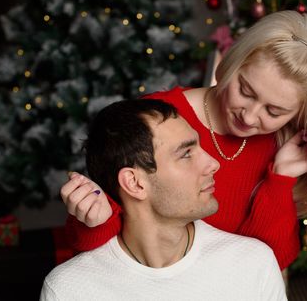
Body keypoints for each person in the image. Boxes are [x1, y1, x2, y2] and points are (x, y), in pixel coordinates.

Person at [61, 10, 307, 276]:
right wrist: (93, 219)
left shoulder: (283, 144)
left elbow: (267, 266)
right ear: (232, 61)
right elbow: (90, 248)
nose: (250, 116)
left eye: (274, 111)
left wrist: (280, 180)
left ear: (300, 113)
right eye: (245, 91)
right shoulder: (160, 120)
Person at [41, 99, 287, 300]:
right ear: (135, 183)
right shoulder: (68, 290)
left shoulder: (252, 264)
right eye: (186, 154)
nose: (213, 163)